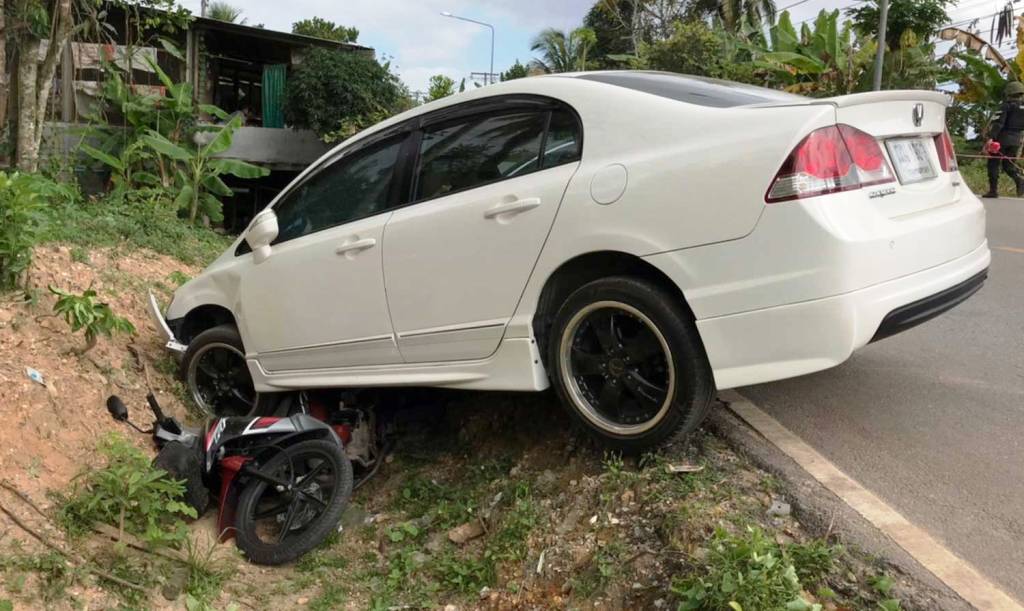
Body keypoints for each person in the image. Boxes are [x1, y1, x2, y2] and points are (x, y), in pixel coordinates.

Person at [984, 80, 1024, 198]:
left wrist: (991, 137)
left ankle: (993, 191)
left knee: (993, 164)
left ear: (1009, 93)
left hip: (1001, 140)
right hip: (1016, 141)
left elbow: (999, 123)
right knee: (1008, 166)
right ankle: (1020, 181)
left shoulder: (1006, 106)